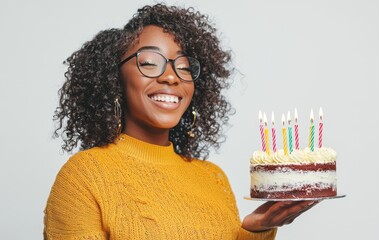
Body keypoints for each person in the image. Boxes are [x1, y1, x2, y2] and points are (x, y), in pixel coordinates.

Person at [44, 4, 318, 239]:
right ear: (113, 77)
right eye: (149, 63)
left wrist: (255, 230)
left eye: (184, 67)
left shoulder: (213, 178)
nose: (172, 77)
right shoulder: (83, 177)